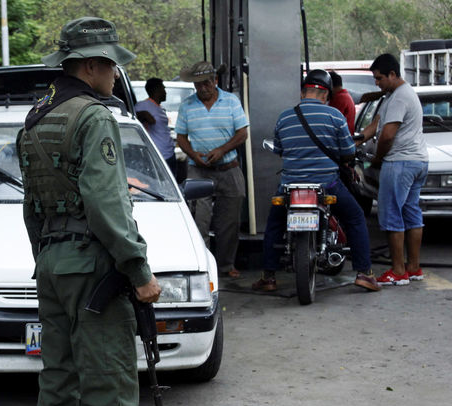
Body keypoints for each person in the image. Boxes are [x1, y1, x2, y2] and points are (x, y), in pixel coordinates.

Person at [17, 17, 160, 406]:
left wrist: (46, 258)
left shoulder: (35, 118)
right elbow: (107, 202)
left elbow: (32, 206)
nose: (115, 74)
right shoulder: (93, 116)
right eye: (112, 64)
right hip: (94, 268)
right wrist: (138, 269)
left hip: (52, 264)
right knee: (108, 377)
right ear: (94, 65)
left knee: (58, 374)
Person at [251, 69, 380, 293]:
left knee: (274, 224)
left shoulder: (285, 117)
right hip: (327, 184)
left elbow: (279, 149)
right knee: (356, 218)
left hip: (290, 186)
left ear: (303, 93)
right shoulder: (335, 117)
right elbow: (348, 152)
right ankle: (364, 274)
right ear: (326, 96)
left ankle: (269, 277)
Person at [358, 53, 428, 286]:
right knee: (411, 214)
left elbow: (387, 135)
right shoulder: (395, 95)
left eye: (379, 78)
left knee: (391, 216)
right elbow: (374, 126)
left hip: (399, 163)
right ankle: (413, 268)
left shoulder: (399, 98)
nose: (376, 83)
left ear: (392, 74)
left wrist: (377, 158)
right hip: (417, 161)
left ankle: (398, 271)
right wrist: (354, 140)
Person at [176, 61, 248, 279]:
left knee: (230, 220)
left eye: (206, 83)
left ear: (215, 81)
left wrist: (222, 149)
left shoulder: (231, 101)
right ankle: (203, 267)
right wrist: (193, 154)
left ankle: (226, 265)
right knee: (200, 220)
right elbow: (181, 137)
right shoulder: (187, 105)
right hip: (198, 170)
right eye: (198, 85)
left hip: (229, 168)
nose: (202, 88)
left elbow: (242, 133)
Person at [135, 77, 176, 176]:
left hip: (169, 153)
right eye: (163, 89)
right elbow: (134, 117)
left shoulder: (159, 107)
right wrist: (143, 115)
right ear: (156, 90)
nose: (165, 92)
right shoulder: (143, 105)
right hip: (158, 156)